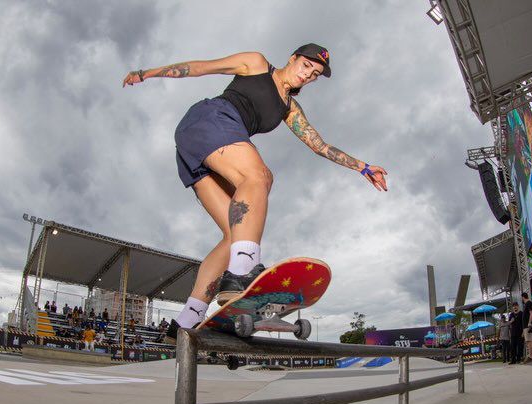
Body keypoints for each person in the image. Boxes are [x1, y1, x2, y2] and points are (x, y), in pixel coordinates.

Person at [124, 45, 388, 343]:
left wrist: (363, 167)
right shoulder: (257, 64)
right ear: (293, 58)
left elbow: (319, 146)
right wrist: (147, 74)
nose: (307, 75)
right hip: (210, 120)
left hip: (204, 151)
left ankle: (187, 320)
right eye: (305, 66)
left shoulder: (290, 109)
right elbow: (202, 66)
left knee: (232, 233)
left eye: (313, 75)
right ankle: (242, 269)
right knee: (259, 176)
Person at [521, 292, 532, 361]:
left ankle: (530, 355)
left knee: (529, 340)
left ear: (523, 297)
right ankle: (531, 355)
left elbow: (531, 313)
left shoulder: (528, 303)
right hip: (526, 326)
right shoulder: (527, 304)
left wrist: (529, 323)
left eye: (522, 298)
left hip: (527, 325)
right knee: (529, 340)